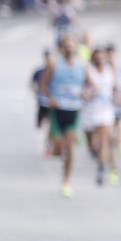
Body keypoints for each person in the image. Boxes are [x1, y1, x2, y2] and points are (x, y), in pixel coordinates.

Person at [42, 33, 87, 197]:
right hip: (57, 110)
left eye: (72, 45)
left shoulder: (82, 65)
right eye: (66, 45)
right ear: (62, 48)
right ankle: (55, 149)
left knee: (70, 149)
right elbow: (43, 84)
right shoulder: (54, 64)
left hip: (73, 109)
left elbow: (91, 85)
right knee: (59, 147)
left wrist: (86, 93)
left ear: (75, 47)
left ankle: (66, 181)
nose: (69, 48)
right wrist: (49, 97)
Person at [82, 46, 121, 187]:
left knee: (105, 140)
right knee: (93, 144)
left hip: (106, 110)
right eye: (97, 57)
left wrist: (119, 99)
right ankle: (101, 159)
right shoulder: (88, 70)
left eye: (102, 57)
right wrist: (87, 92)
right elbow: (84, 87)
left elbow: (115, 88)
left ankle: (102, 167)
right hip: (91, 110)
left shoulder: (110, 71)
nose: (100, 60)